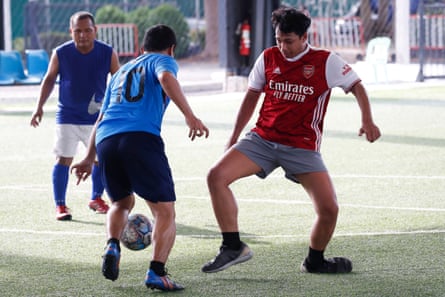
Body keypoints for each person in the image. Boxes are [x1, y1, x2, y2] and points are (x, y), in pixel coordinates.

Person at [201, 7, 381, 274]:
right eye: (278, 40)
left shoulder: (325, 61)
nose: (282, 47)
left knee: (329, 208)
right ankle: (232, 246)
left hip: (301, 146)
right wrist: (234, 137)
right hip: (262, 139)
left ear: (304, 37)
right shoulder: (268, 57)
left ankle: (315, 261)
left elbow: (357, 86)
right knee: (215, 176)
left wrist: (367, 120)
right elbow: (251, 97)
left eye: (288, 41)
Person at [71, 24, 209, 291]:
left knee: (122, 202)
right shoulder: (163, 60)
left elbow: (100, 117)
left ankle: (112, 245)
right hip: (141, 138)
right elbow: (167, 78)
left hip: (107, 139)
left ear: (141, 48)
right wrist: (190, 116)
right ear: (171, 49)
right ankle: (157, 272)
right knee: (165, 211)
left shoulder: (122, 70)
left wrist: (89, 156)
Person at [30, 11, 120, 221]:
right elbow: (49, 79)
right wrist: (39, 107)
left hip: (97, 119)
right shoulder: (61, 53)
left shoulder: (108, 53)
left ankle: (96, 198)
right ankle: (60, 206)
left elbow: (119, 81)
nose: (83, 35)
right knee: (63, 159)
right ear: (71, 31)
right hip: (67, 116)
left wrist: (119, 109)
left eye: (87, 30)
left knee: (99, 160)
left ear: (95, 30)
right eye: (77, 31)